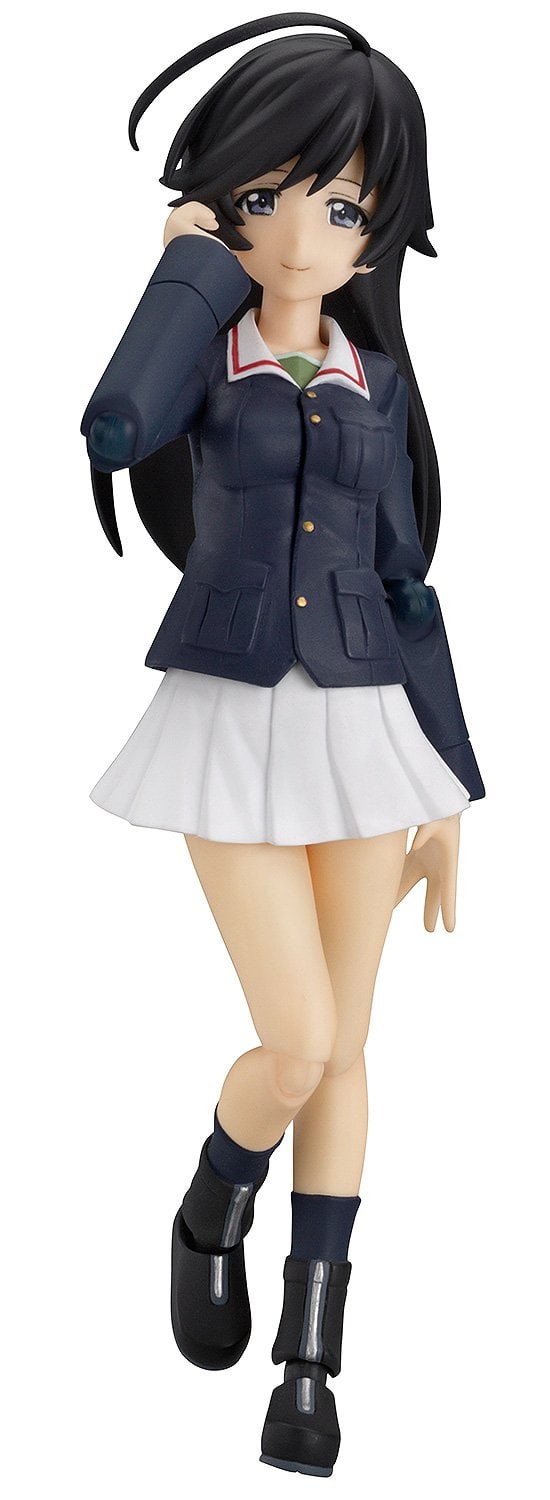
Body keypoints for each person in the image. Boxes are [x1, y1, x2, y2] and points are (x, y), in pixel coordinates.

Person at [82, 13, 485, 1477]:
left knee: (350, 1050)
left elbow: (407, 580)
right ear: (220, 201)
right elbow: (114, 424)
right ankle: (213, 1198)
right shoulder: (205, 354)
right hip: (230, 718)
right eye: (264, 197)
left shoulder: (380, 382)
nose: (302, 237)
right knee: (297, 1042)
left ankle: (310, 1364)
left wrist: (452, 786)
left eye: (342, 208)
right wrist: (188, 266)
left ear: (380, 228)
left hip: (369, 724)